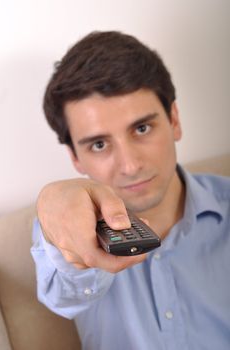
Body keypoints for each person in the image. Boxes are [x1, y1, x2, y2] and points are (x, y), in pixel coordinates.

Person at [31, 31, 230, 350]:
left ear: (174, 120)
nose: (130, 165)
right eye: (98, 144)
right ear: (75, 158)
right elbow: (63, 296)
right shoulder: (66, 225)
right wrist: (50, 199)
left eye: (142, 128)